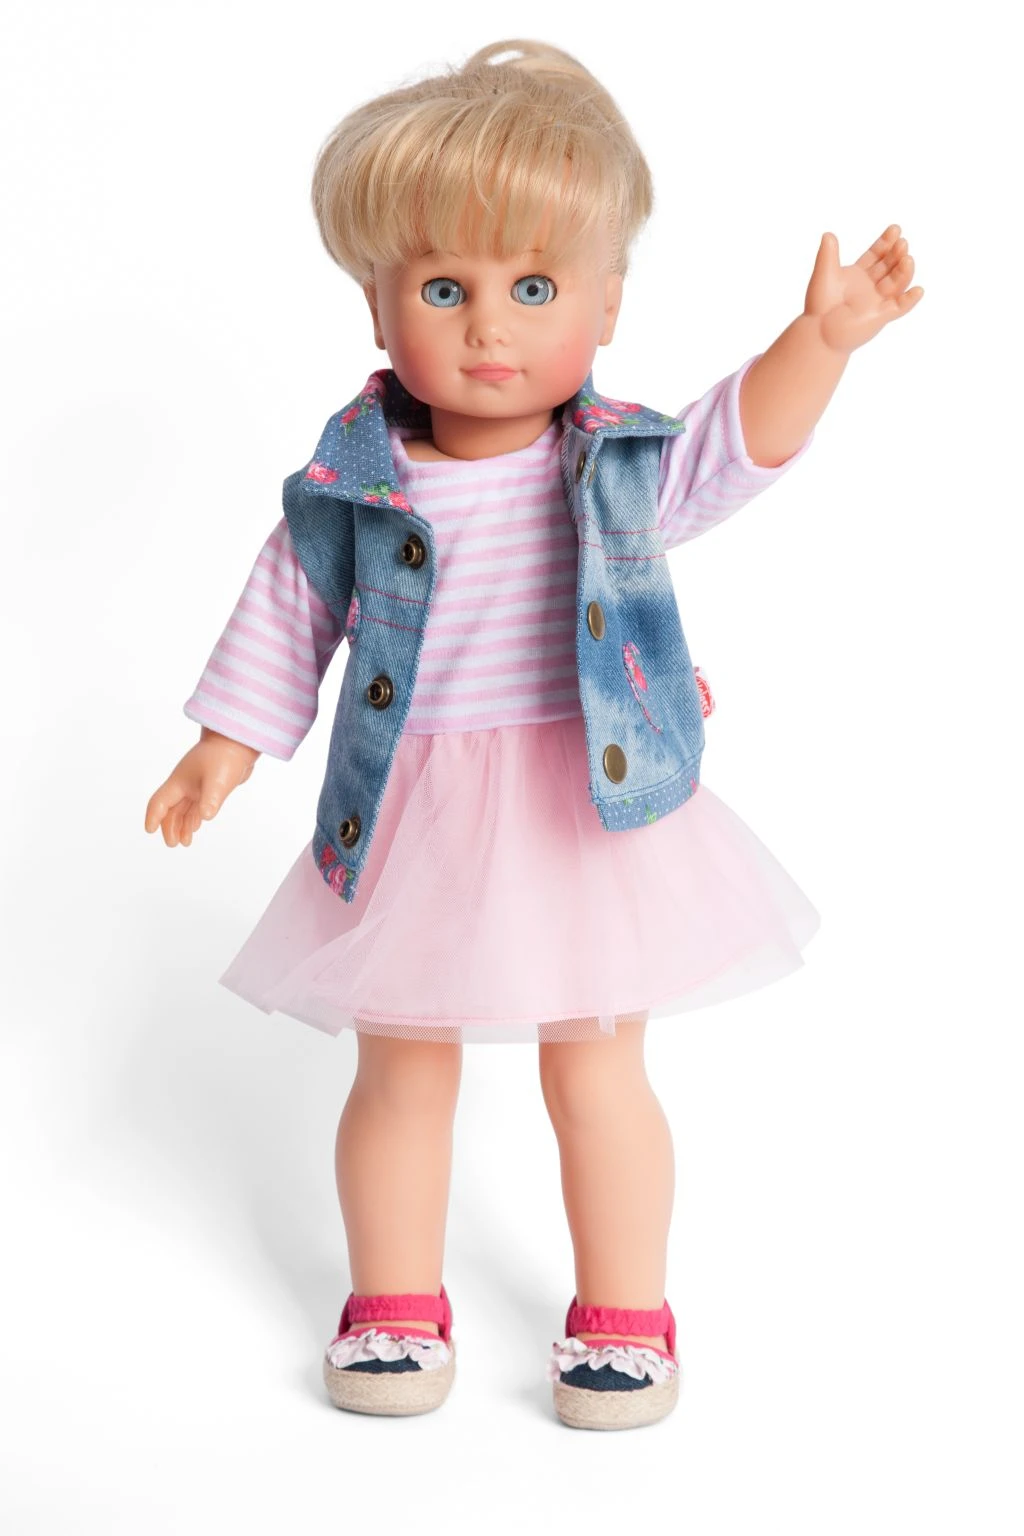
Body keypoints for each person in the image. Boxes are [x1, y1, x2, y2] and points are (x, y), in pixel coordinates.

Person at [144, 38, 923, 1431]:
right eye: (445, 289)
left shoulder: (610, 467)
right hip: (415, 814)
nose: (488, 329)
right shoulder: (354, 487)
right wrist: (226, 744)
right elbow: (289, 608)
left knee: (598, 1067)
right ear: (376, 304)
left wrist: (820, 342)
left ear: (608, 301)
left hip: (589, 804)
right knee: (400, 1066)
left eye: (536, 287)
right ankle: (394, 1300)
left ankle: (625, 1313)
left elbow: (731, 447)